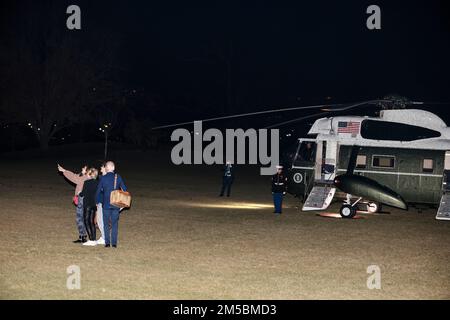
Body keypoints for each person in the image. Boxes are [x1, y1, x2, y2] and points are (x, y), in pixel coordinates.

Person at [95, 161, 128, 248]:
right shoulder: (118, 177)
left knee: (105, 224)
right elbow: (124, 189)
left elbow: (98, 191)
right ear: (113, 168)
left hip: (106, 204)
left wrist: (96, 200)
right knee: (114, 224)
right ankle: (114, 244)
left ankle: (107, 243)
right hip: (115, 204)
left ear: (106, 168)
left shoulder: (103, 178)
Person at [58, 164, 90, 243]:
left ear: (87, 171)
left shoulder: (85, 178)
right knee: (81, 218)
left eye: (84, 168)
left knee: (80, 219)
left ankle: (83, 237)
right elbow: (75, 176)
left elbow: (74, 178)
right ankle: (82, 236)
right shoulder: (84, 177)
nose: (82, 168)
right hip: (83, 199)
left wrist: (64, 171)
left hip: (82, 200)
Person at [79, 168, 99, 246]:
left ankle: (91, 239)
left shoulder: (86, 182)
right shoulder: (98, 183)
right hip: (94, 204)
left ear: (90, 174)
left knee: (86, 221)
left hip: (87, 204)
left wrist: (79, 193)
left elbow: (83, 194)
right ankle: (94, 239)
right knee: (92, 222)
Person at [94, 163, 107, 245]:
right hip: (102, 201)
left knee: (100, 220)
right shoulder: (102, 178)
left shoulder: (104, 178)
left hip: (102, 202)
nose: (100, 169)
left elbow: (100, 191)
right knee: (101, 220)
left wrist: (96, 200)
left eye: (101, 167)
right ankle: (104, 237)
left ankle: (104, 238)